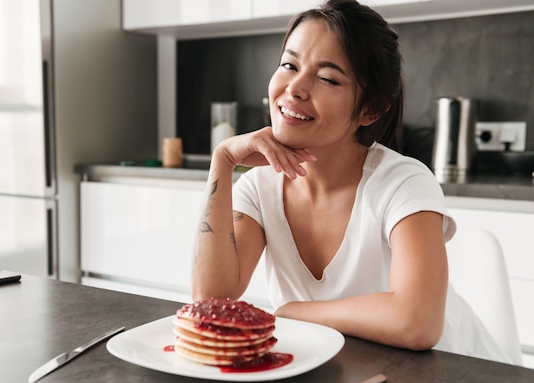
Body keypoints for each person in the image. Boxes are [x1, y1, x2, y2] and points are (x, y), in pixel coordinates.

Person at [191, 0, 511, 363]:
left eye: (326, 78)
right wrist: (223, 160)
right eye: (288, 65)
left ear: (370, 109)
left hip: (458, 378)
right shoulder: (258, 188)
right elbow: (211, 301)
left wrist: (294, 312)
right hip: (354, 375)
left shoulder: (404, 183)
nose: (294, 88)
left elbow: (418, 323)